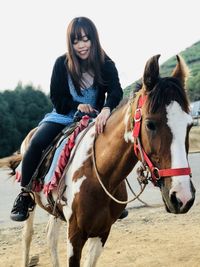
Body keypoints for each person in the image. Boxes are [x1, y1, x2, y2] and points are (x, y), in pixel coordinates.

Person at [10, 16, 128, 222]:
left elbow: (116, 91)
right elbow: (56, 96)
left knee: (113, 147)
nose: (81, 45)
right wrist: (76, 106)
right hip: (63, 116)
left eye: (85, 39)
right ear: (70, 43)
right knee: (37, 143)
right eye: (76, 41)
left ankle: (114, 195)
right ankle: (25, 194)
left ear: (94, 39)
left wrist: (107, 109)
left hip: (94, 118)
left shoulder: (106, 63)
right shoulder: (61, 64)